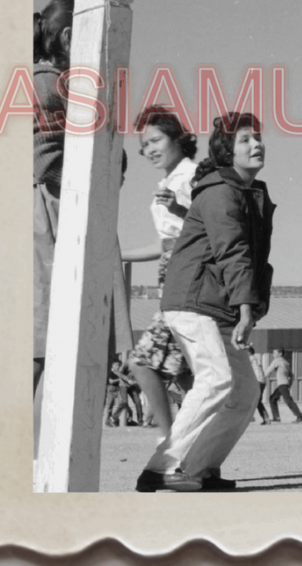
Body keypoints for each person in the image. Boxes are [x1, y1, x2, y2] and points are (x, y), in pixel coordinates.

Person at [136, 113, 273, 491]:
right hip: (193, 298)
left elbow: (256, 258)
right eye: (245, 139)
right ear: (228, 151)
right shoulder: (219, 191)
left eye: (258, 137)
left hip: (219, 301)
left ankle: (197, 468)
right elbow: (233, 252)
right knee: (216, 379)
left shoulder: (250, 193)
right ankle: (160, 468)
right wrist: (246, 307)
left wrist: (250, 306)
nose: (256, 144)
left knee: (245, 392)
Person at [123, 110, 200, 437]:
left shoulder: (193, 176)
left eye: (156, 140)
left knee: (141, 363)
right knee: (184, 373)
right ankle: (200, 456)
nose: (150, 150)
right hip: (170, 272)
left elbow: (206, 226)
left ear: (178, 139)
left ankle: (170, 444)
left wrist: (180, 209)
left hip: (186, 273)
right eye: (144, 145)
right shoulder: (168, 181)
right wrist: (118, 256)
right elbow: (164, 242)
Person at [32, 0, 74, 398]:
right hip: (52, 209)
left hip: (48, 206)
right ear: (68, 36)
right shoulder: (50, 83)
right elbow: (46, 161)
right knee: (42, 338)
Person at [247, 348, 270, 424]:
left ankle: (263, 418)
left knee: (254, 400)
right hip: (261, 381)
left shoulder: (250, 359)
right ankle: (264, 418)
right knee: (256, 400)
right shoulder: (257, 359)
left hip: (257, 381)